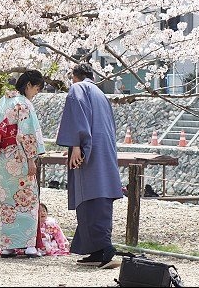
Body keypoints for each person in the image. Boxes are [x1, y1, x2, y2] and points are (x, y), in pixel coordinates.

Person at [56, 63, 123, 269]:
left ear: (75, 76)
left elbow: (77, 115)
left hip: (89, 151)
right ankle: (96, 251)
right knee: (100, 198)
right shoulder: (100, 94)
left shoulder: (78, 88)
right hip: (104, 151)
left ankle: (105, 249)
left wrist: (76, 145)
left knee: (89, 198)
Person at [0, 70, 46, 259]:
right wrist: (31, 159)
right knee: (28, 198)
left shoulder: (3, 101)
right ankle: (28, 245)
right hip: (19, 156)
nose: (36, 93)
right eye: (36, 88)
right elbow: (27, 133)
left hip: (2, 157)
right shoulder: (24, 103)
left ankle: (8, 246)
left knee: (7, 201)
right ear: (28, 85)